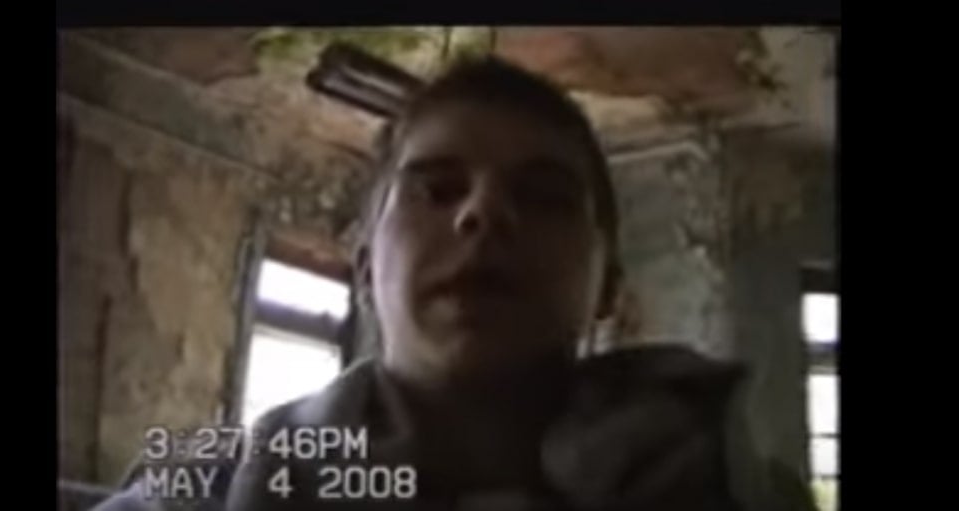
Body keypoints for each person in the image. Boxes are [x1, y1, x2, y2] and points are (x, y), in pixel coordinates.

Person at [96, 57, 816, 511]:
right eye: (437, 189)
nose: (484, 213)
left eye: (543, 197)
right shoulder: (204, 490)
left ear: (609, 290)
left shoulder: (741, 493)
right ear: (367, 269)